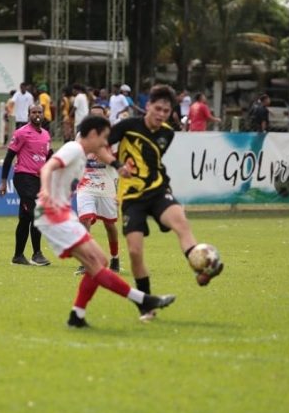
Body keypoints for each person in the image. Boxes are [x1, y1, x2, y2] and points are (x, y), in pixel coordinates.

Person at [35, 114, 176, 328]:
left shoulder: (83, 152)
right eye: (104, 137)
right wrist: (46, 191)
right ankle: (144, 300)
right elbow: (47, 168)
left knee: (100, 262)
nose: (105, 142)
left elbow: (102, 152)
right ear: (92, 134)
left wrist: (118, 166)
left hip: (61, 213)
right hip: (52, 213)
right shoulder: (73, 149)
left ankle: (77, 315)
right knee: (95, 264)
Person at [109, 85, 223, 321]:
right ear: (148, 106)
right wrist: (117, 165)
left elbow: (153, 162)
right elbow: (101, 145)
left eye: (166, 110)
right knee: (134, 251)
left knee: (181, 223)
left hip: (159, 190)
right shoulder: (127, 126)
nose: (161, 114)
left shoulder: (167, 133)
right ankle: (146, 305)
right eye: (158, 108)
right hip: (131, 196)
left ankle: (202, 268)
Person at [0, 104, 52, 267]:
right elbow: (9, 158)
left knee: (25, 218)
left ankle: (18, 256)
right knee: (37, 213)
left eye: (39, 112)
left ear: (43, 115)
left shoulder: (46, 135)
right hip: (23, 178)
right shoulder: (21, 133)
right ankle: (37, 254)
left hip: (38, 180)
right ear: (28, 115)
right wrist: (3, 182)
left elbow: (48, 156)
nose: (37, 115)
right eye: (33, 112)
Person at [73, 105, 121, 276]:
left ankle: (115, 258)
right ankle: (86, 262)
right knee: (84, 221)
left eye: (99, 116)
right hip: (86, 183)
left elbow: (117, 159)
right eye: (93, 116)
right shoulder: (81, 135)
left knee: (110, 224)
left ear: (105, 117)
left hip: (107, 184)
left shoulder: (113, 137)